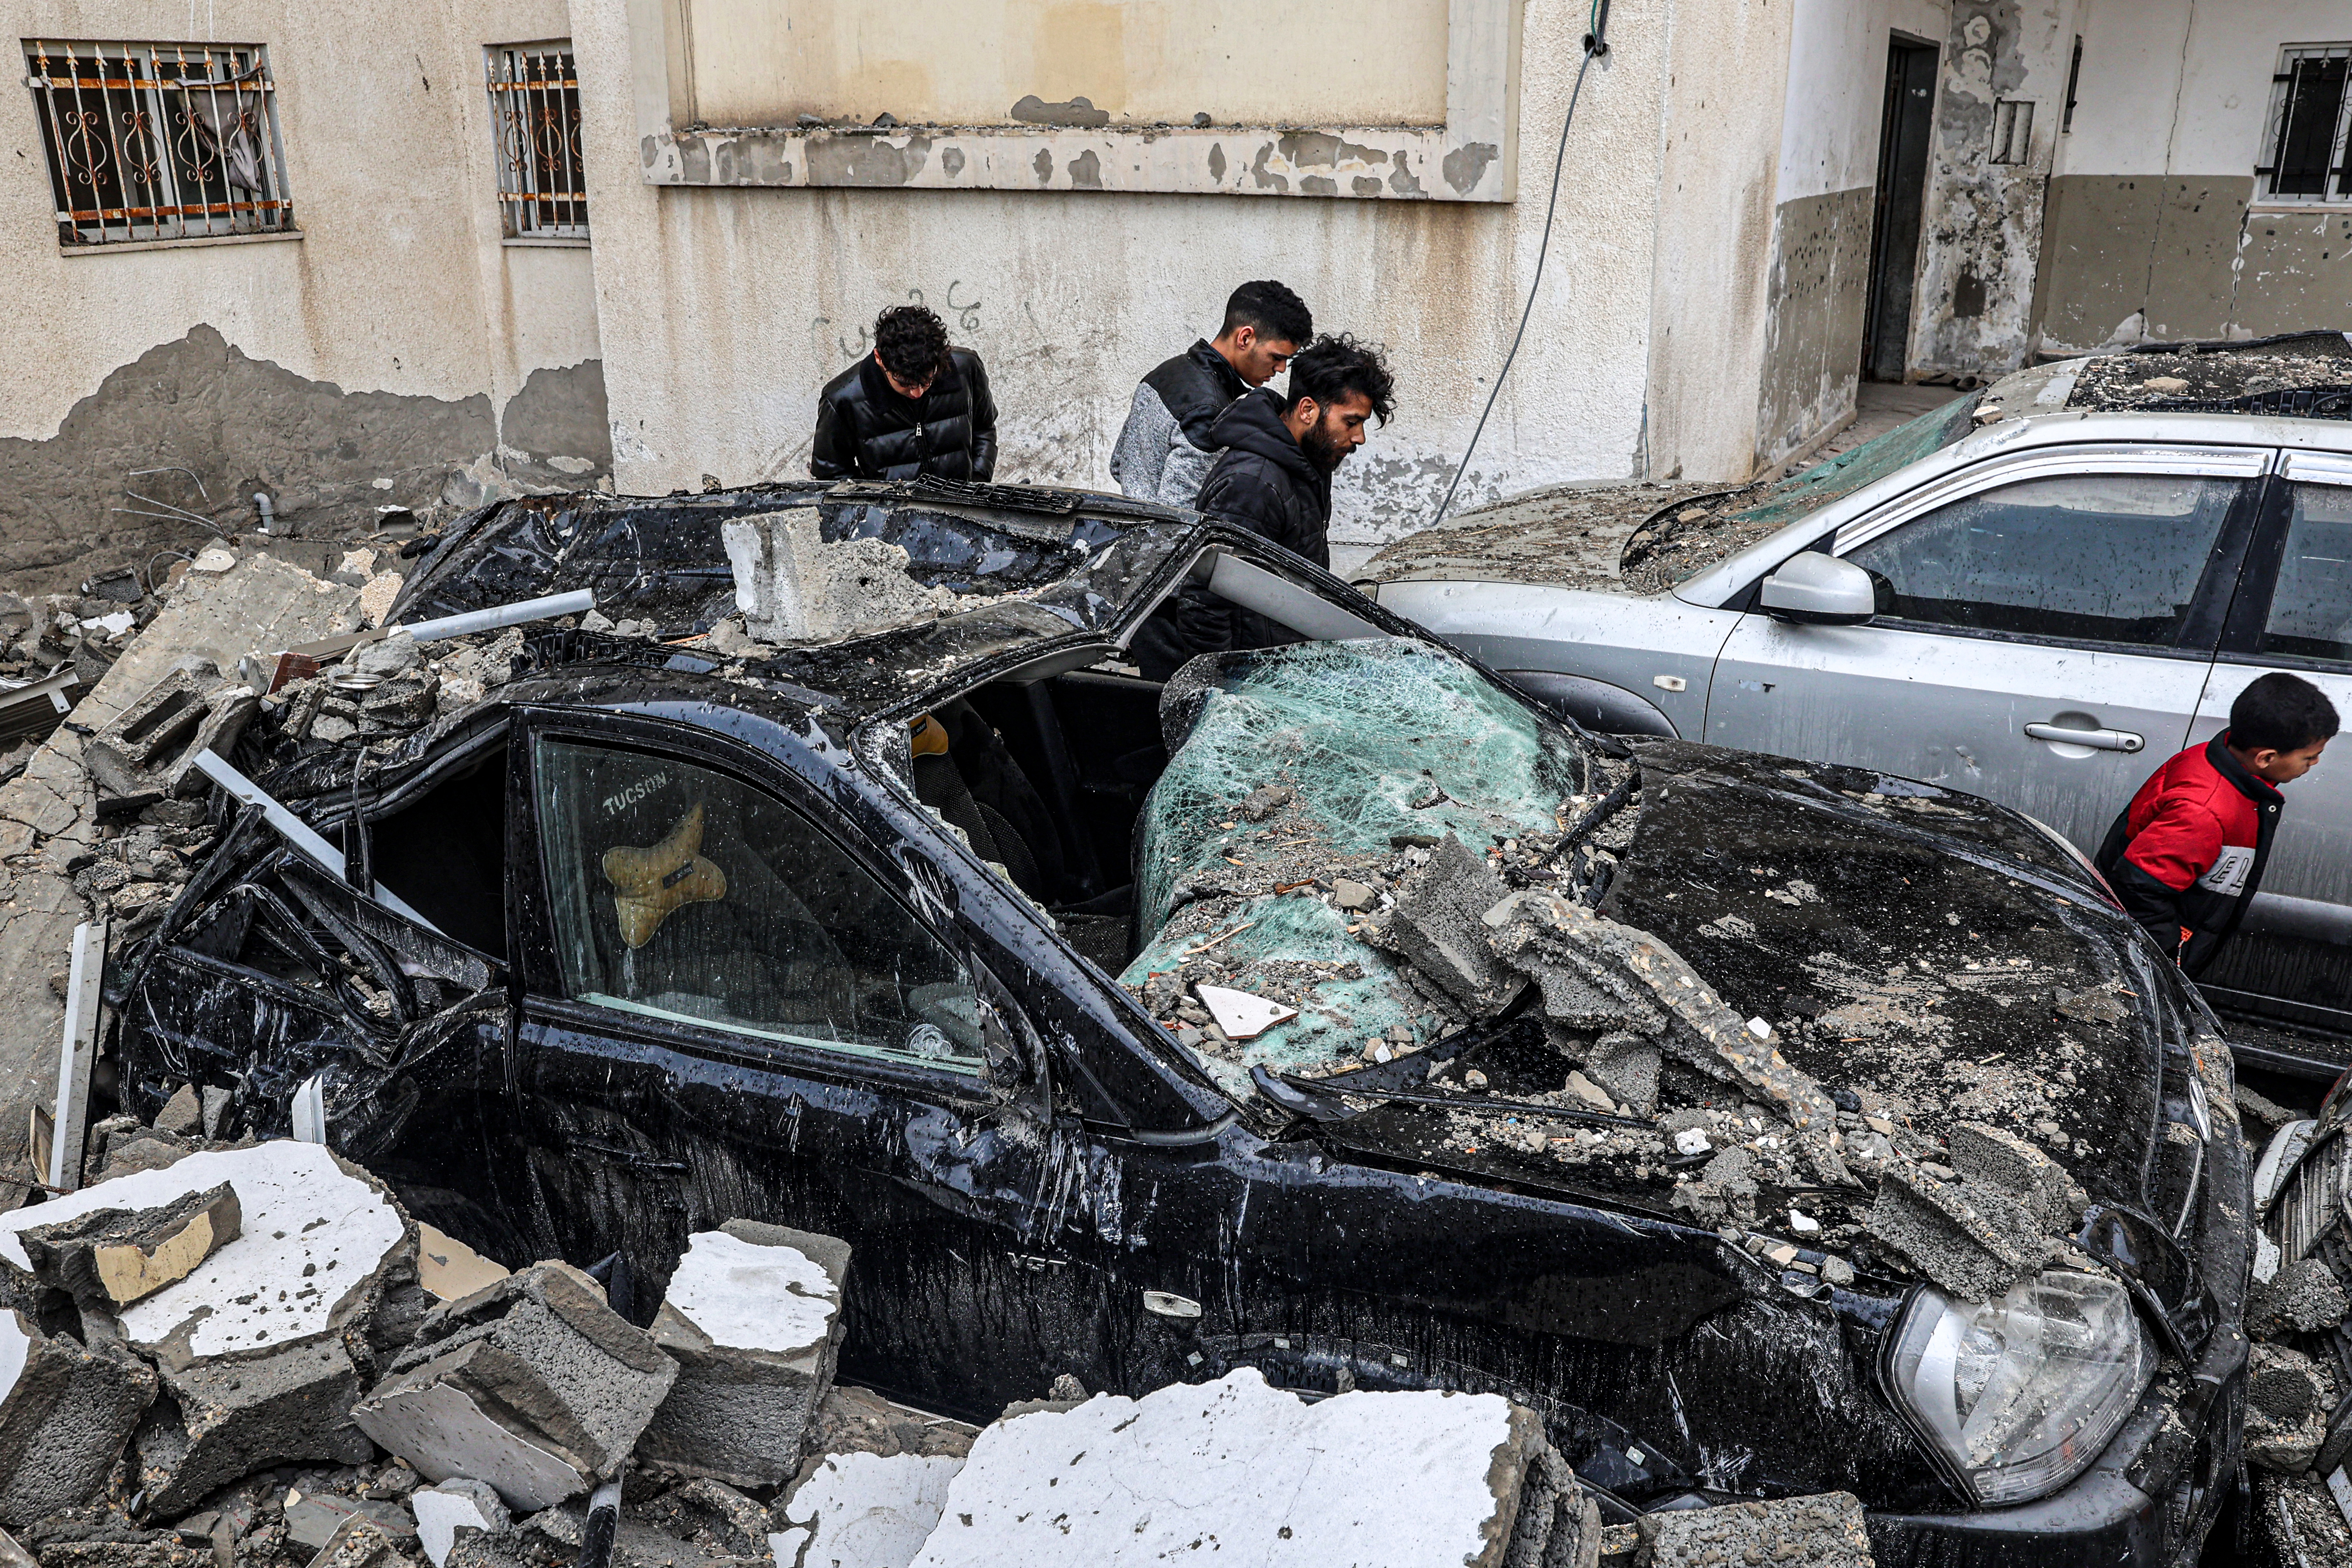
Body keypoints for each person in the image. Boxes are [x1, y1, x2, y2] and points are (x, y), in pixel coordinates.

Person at [1131, 334, 1395, 679]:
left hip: (1282, 673)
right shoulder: (1253, 483)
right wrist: (1224, 695)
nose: (1359, 437)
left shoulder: (1308, 465)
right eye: (1351, 422)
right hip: (1250, 683)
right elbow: (1204, 605)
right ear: (1307, 410)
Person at [2095, 672, 2337, 973]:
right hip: (2152, 957)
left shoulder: (2216, 761)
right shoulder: (2203, 811)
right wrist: (2169, 956)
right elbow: (2140, 888)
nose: (2314, 765)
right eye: (2310, 758)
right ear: (2266, 758)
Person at [1110, 281, 1313, 508]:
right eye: (1277, 357)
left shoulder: (1164, 373)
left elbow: (1119, 463)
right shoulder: (1210, 410)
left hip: (1134, 533)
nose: (1282, 369)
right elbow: (1184, 516)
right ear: (1245, 338)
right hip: (1162, 541)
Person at [811, 305, 997, 482]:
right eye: (905, 384)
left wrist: (977, 482)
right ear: (880, 359)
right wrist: (876, 507)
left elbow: (984, 427)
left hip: (962, 506)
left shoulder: (967, 368)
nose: (917, 393)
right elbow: (831, 473)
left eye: (927, 381)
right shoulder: (841, 399)